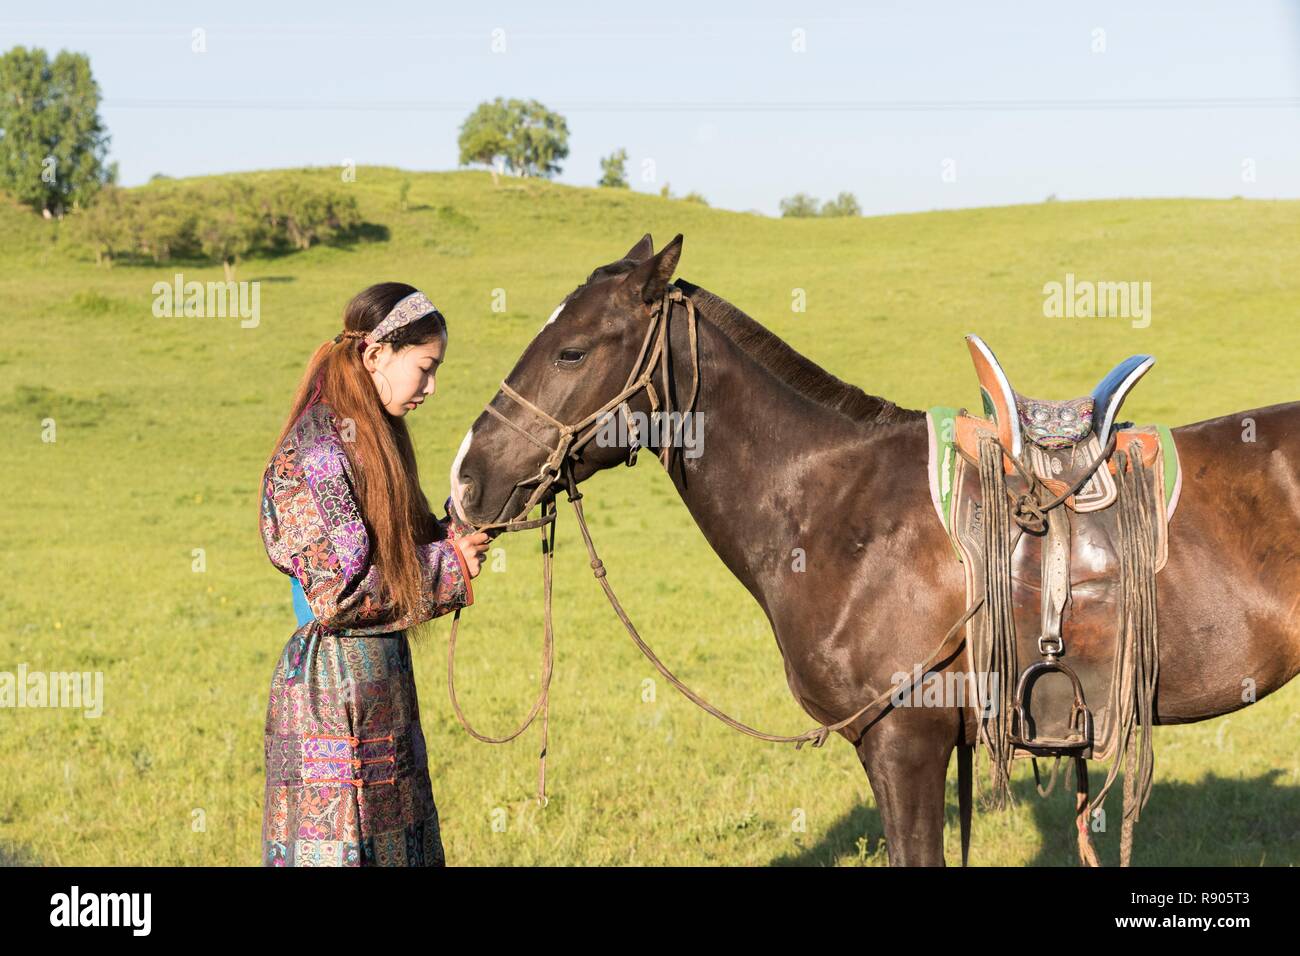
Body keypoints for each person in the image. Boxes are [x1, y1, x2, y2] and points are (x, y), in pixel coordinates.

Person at [258, 282, 491, 866]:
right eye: (425, 367)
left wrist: (452, 534)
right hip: (330, 694)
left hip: (379, 685)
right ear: (376, 355)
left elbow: (396, 551)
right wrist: (450, 566)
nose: (431, 387)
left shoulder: (366, 439)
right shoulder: (313, 451)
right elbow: (338, 593)